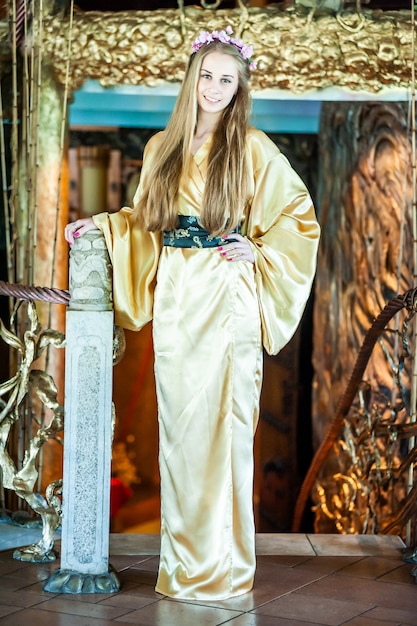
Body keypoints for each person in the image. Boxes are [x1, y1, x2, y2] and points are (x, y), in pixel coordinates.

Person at [65, 26, 320, 601]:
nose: (214, 86)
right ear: (192, 78)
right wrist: (102, 227)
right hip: (179, 297)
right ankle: (183, 569)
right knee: (180, 433)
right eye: (207, 75)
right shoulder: (162, 147)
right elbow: (144, 223)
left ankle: (223, 572)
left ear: (238, 88)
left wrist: (257, 250)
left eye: (227, 79)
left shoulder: (252, 148)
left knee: (223, 431)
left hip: (228, 295)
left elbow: (298, 216)